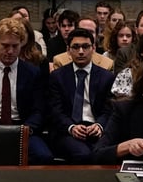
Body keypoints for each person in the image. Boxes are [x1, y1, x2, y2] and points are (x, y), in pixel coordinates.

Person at [0, 16, 52, 163]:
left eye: (15, 46)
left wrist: (27, 129)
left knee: (44, 156)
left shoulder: (32, 73)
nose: (10, 51)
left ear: (21, 45)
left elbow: (39, 109)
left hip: (21, 128)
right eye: (5, 45)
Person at [47, 28, 116, 163]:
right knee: (83, 154)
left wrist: (99, 125)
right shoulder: (58, 77)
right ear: (68, 50)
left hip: (96, 130)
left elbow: (109, 110)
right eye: (76, 47)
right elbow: (55, 111)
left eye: (85, 47)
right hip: (67, 131)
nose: (81, 51)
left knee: (104, 152)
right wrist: (71, 127)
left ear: (94, 48)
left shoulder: (106, 77)